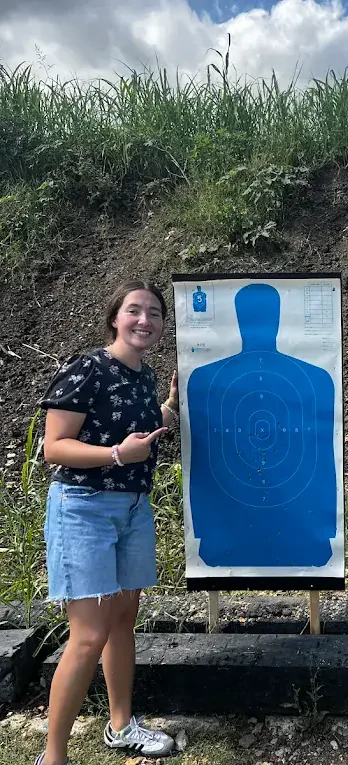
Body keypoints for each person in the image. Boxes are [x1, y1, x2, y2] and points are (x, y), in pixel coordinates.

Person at [35, 281, 180, 765]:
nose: (145, 320)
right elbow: (54, 446)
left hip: (133, 509)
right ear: (114, 318)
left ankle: (121, 727)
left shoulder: (146, 377)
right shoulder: (88, 368)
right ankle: (53, 755)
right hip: (84, 507)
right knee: (89, 634)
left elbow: (131, 423)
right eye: (135, 311)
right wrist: (118, 454)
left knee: (122, 622)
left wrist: (168, 409)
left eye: (155, 313)